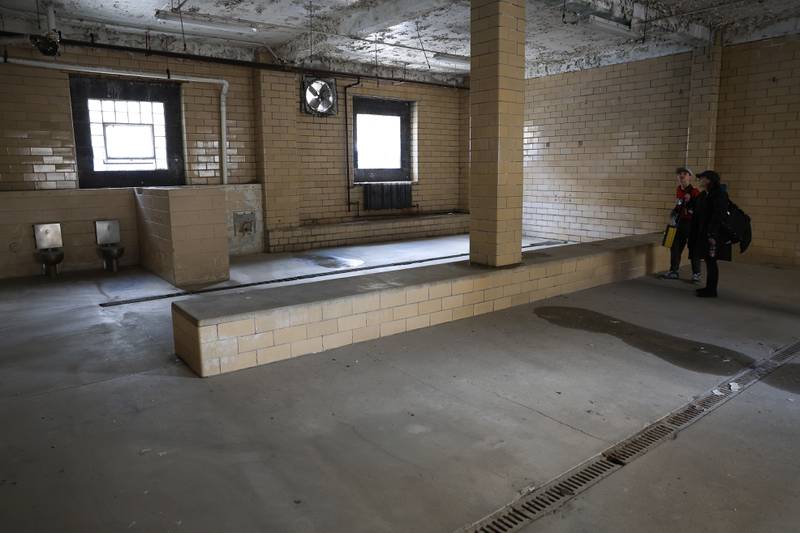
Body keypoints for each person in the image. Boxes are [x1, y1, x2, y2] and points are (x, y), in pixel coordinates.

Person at [690, 170, 732, 298]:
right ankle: (709, 288)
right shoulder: (704, 194)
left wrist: (712, 234)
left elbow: (719, 215)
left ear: (709, 180)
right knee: (708, 260)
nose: (700, 181)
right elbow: (696, 207)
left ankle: (711, 290)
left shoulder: (719, 194)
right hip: (705, 233)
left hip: (714, 235)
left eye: (702, 178)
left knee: (712, 261)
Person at [660, 167, 701, 282]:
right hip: (680, 222)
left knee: (693, 248)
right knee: (675, 247)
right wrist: (674, 213)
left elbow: (699, 209)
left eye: (685, 173)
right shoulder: (679, 189)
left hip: (691, 224)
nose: (682, 176)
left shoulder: (695, 192)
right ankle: (674, 271)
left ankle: (696, 274)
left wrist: (690, 202)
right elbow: (679, 205)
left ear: (689, 177)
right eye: (679, 174)